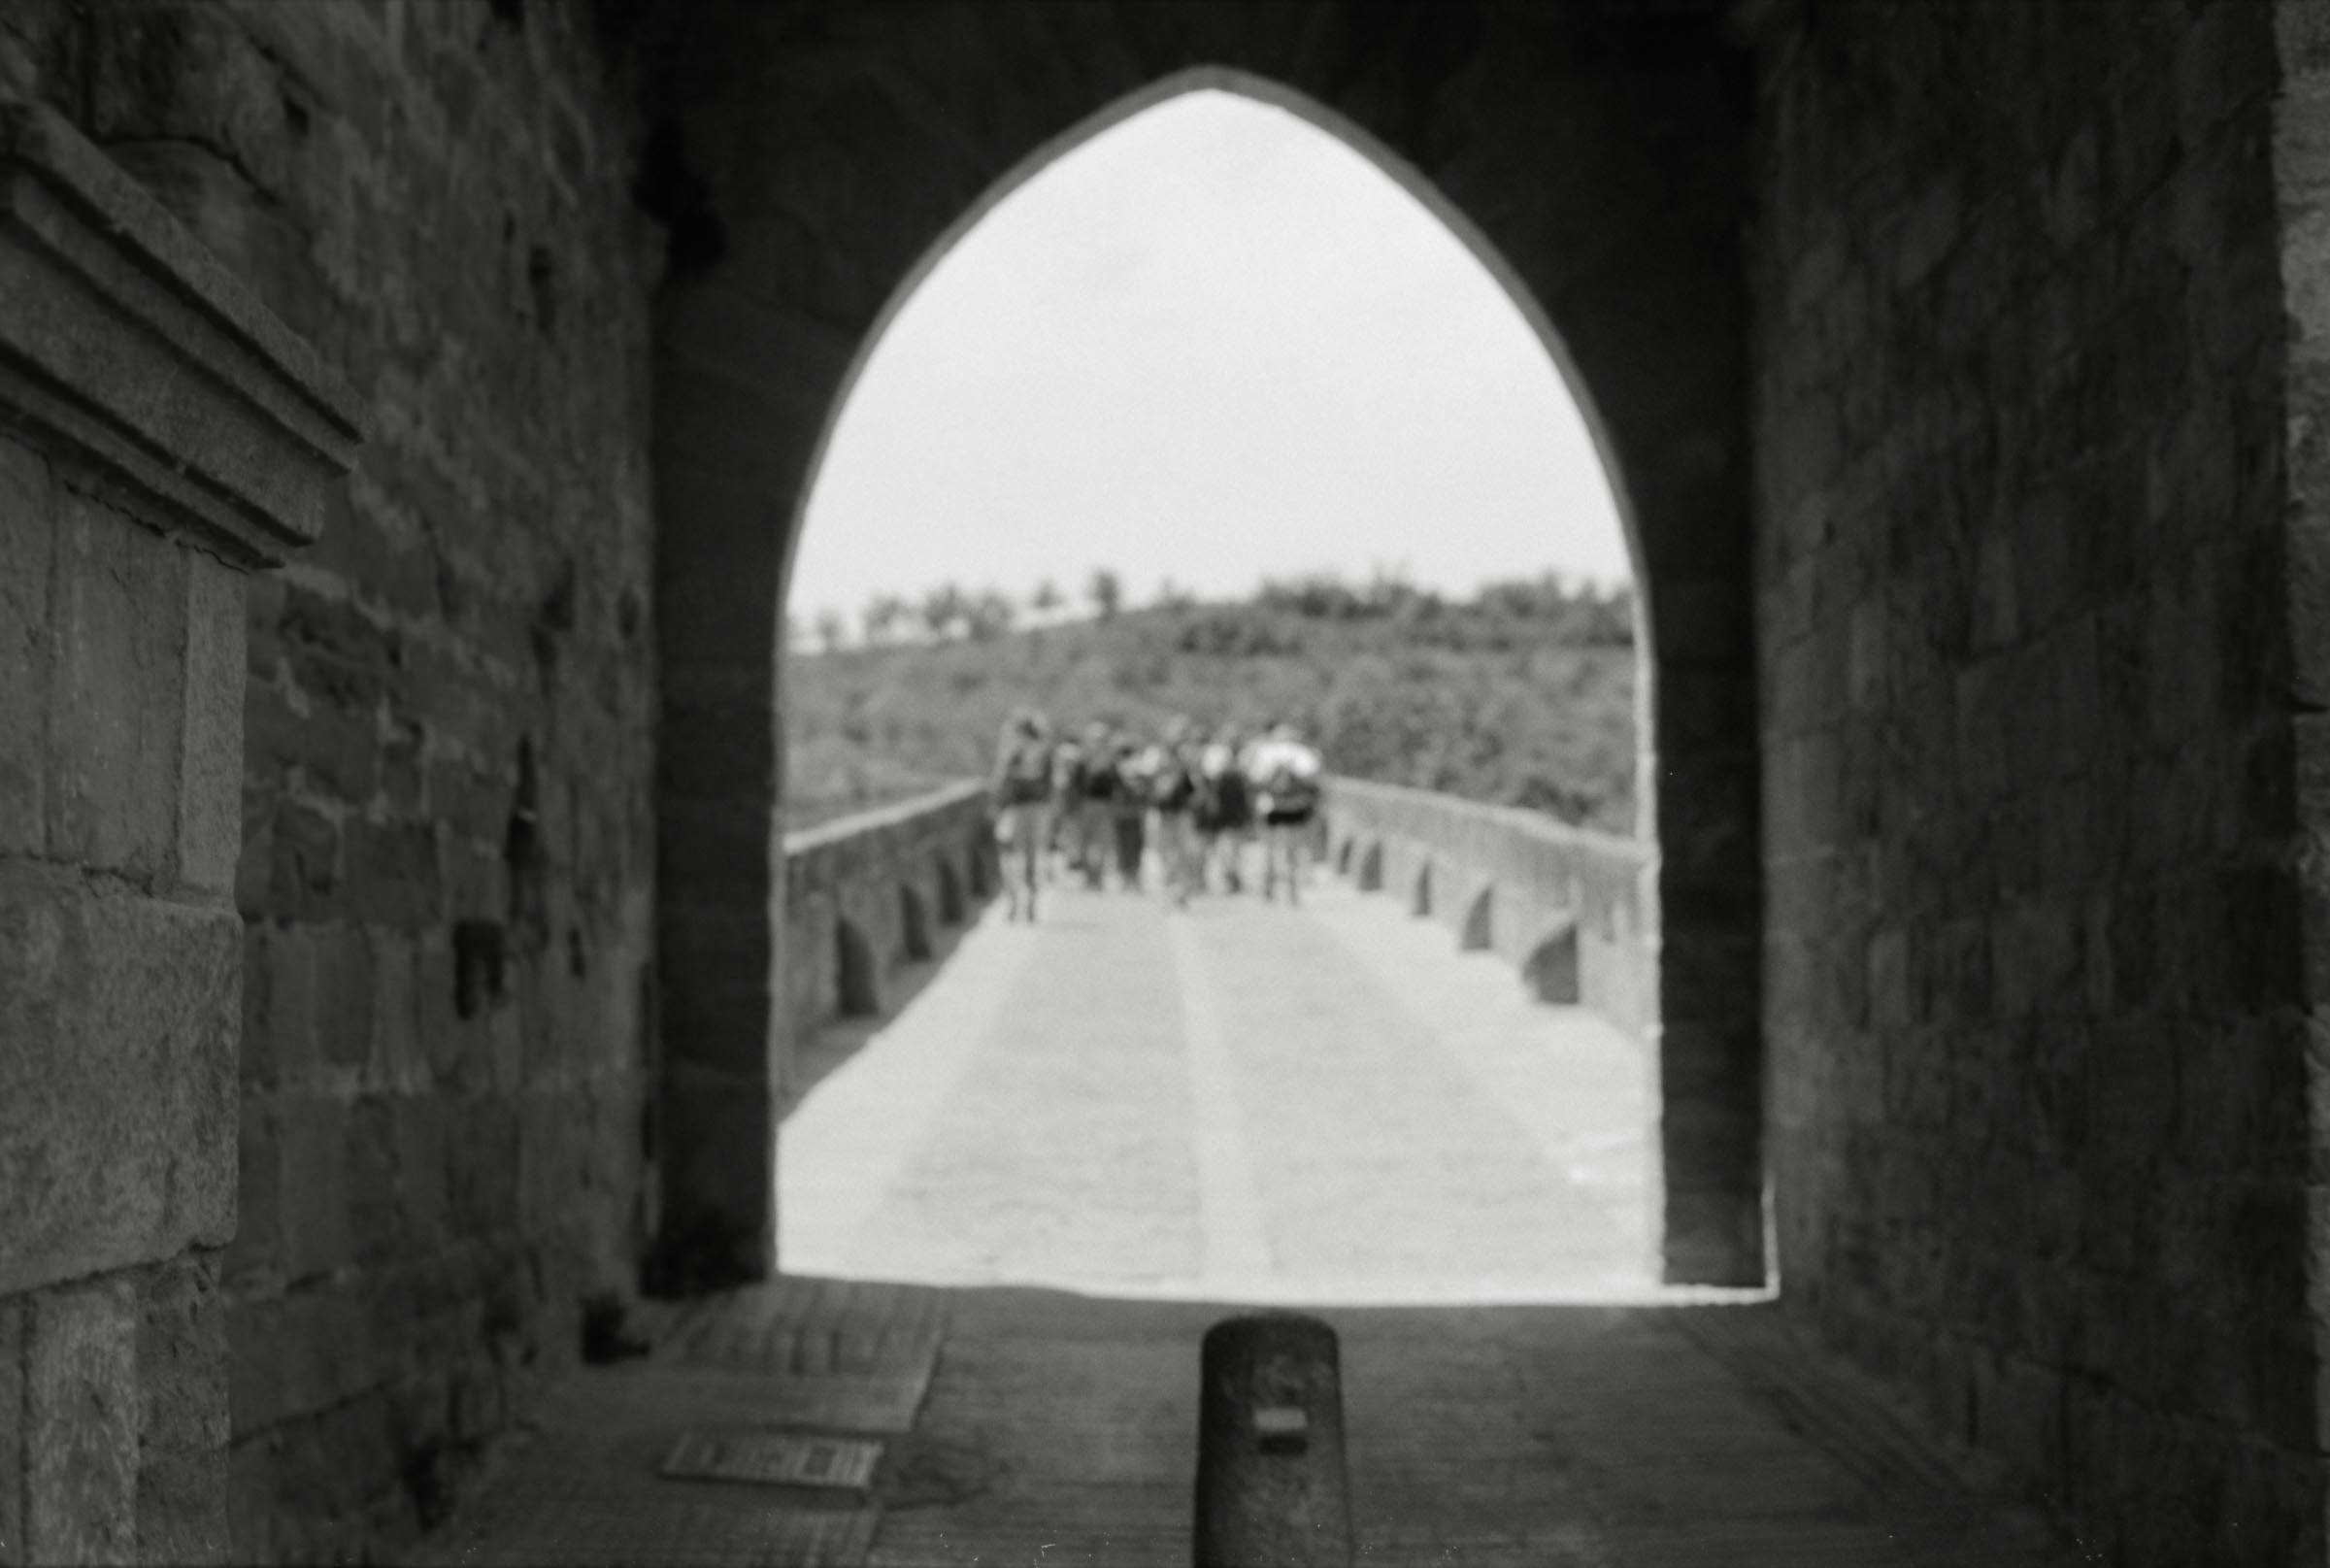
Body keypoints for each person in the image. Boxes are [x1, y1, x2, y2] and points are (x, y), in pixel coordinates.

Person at [1249, 718, 1322, 906]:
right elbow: (1312, 777)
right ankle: (1291, 888)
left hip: (1271, 805)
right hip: (1295, 806)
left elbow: (1255, 778)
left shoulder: (1265, 752)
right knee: (1293, 847)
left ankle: (1269, 884)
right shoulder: (1302, 753)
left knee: (1269, 846)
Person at [989, 709, 1053, 921]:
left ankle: (1014, 901)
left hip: (1017, 809)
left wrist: (995, 805)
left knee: (1010, 855)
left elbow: (1000, 781)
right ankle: (1029, 903)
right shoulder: (1042, 750)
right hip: (1037, 809)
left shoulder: (1016, 752)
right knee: (1031, 857)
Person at [1201, 724, 1253, 894]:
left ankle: (1234, 875)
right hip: (1223, 810)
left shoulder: (1244, 758)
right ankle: (1228, 875)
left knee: (1236, 846)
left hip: (1237, 809)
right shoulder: (1215, 757)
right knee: (1225, 845)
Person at [1109, 736, 1148, 890]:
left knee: (1131, 845)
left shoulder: (1135, 768)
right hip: (1125, 812)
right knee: (1127, 845)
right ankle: (1128, 876)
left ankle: (1131, 876)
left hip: (1131, 812)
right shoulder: (1119, 768)